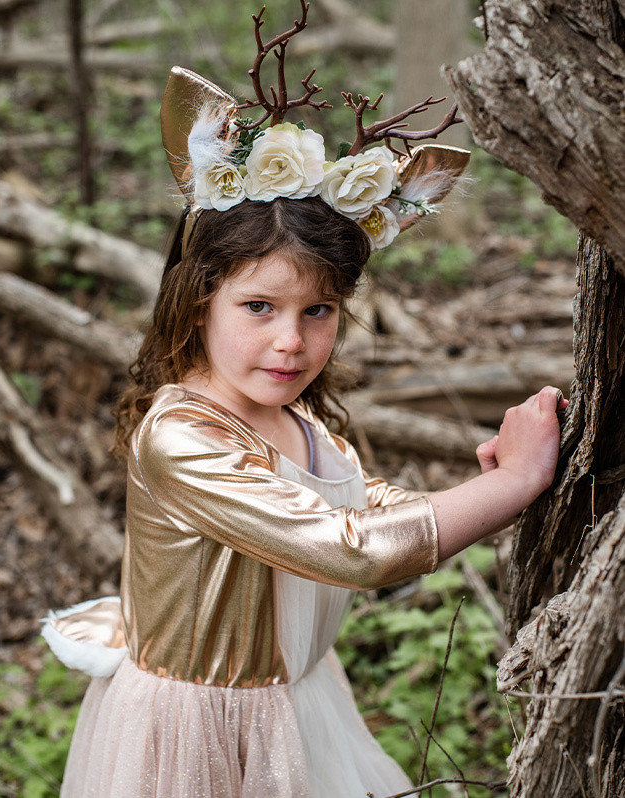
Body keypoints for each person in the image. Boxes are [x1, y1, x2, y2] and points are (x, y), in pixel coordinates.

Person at [42, 6, 567, 797]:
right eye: (260, 308)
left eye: (317, 312)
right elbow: (357, 549)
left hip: (294, 700)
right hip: (199, 729)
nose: (291, 341)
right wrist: (511, 486)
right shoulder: (181, 438)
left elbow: (360, 503)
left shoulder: (297, 419)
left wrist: (469, 492)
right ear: (198, 302)